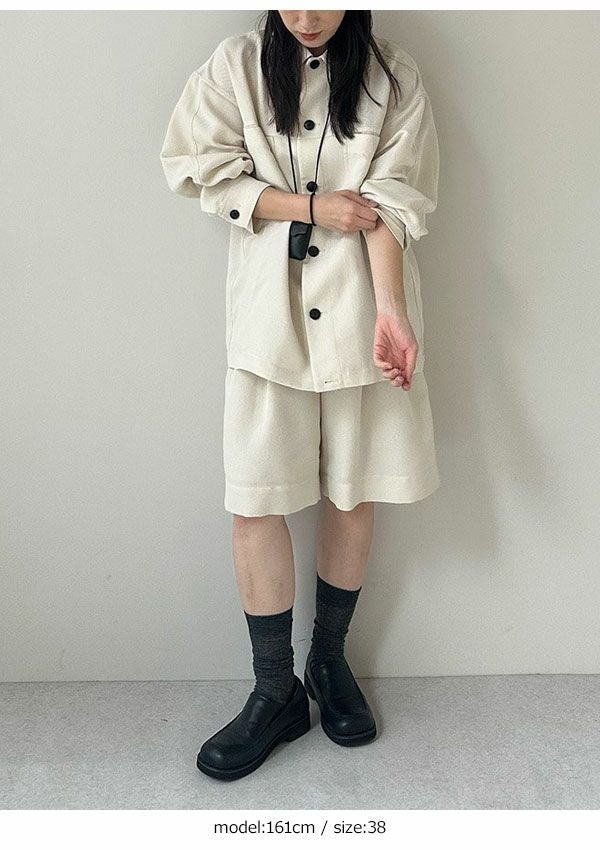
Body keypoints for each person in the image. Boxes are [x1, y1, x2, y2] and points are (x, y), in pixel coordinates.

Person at [160, 10, 441, 781]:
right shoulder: (236, 67)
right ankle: (274, 691)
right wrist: (312, 208)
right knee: (256, 498)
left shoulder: (393, 77)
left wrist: (390, 312)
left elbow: (393, 205)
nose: (307, 16)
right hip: (267, 322)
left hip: (359, 312)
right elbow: (194, 164)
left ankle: (328, 662)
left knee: (353, 490)